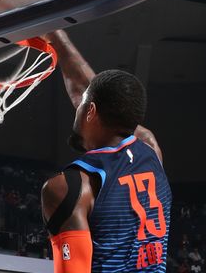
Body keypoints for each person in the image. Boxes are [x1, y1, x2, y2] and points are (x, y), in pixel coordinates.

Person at [40, 30, 171, 272]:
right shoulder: (151, 151)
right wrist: (56, 36)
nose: (76, 104)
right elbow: (85, 87)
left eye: (82, 104)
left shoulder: (71, 188)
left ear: (90, 111)